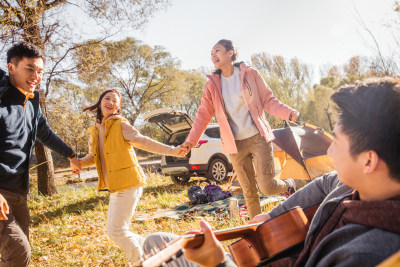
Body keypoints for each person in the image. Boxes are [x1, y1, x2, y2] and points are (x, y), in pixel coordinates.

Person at [143, 77, 400, 267]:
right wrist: (272, 216)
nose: (330, 151)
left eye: (337, 141)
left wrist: (219, 263)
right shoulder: (353, 187)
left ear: (368, 161)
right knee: (156, 242)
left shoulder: (367, 256)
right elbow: (324, 183)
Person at [180, 39, 299, 219]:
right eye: (211, 54)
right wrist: (190, 141)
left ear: (230, 53)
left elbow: (268, 100)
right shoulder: (212, 84)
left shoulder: (250, 74)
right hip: (235, 145)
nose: (213, 56)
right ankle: (256, 231)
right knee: (250, 193)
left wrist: (287, 113)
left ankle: (289, 184)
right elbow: (203, 115)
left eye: (217, 51)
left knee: (266, 186)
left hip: (258, 137)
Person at [74, 89, 184, 263]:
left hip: (130, 182)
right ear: (100, 102)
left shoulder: (120, 124)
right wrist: (79, 163)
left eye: (114, 100)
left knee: (116, 230)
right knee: (117, 230)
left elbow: (144, 141)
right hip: (116, 186)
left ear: (118, 107)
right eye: (107, 98)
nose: (110, 102)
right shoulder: (95, 130)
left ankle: (142, 263)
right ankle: (154, 252)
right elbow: (94, 157)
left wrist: (173, 151)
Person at [0, 42, 81, 267]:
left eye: (40, 71)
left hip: (18, 192)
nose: (36, 76)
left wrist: (71, 154)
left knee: (18, 252)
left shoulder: (32, 100)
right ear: (11, 67)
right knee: (18, 252)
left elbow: (44, 132)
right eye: (29, 69)